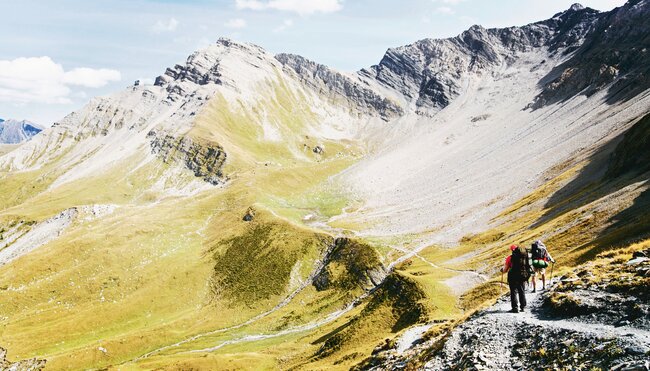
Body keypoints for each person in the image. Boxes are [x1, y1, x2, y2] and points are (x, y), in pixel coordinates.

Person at [501, 244, 531, 313]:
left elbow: (505, 270)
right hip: (522, 275)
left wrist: (502, 270)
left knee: (513, 292)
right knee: (522, 291)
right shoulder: (525, 256)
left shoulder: (510, 258)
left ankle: (515, 308)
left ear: (512, 250)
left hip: (513, 276)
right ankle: (523, 307)